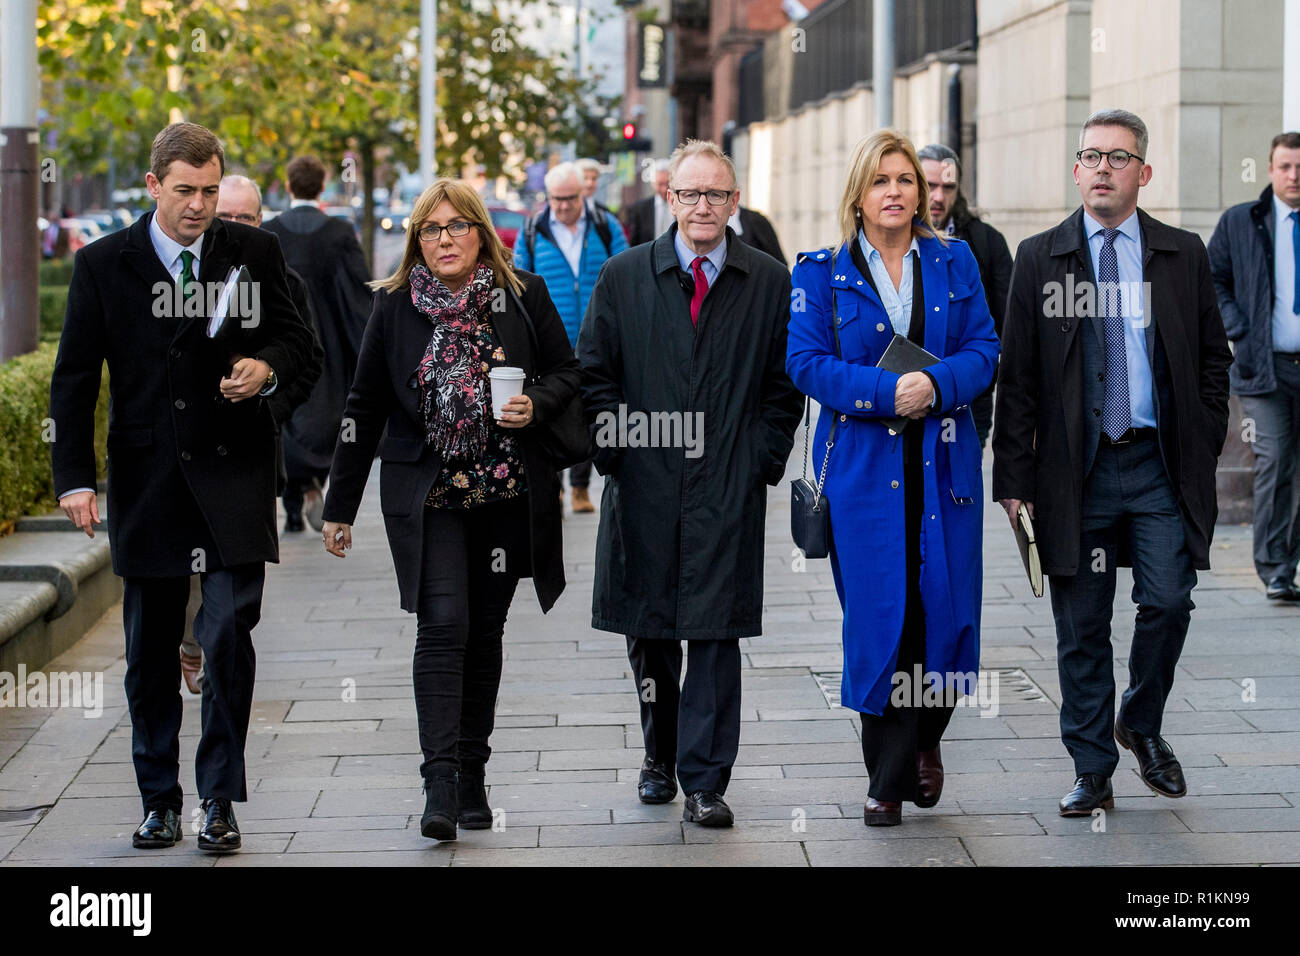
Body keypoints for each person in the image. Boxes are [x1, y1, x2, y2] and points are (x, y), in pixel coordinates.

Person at [49, 122, 319, 852]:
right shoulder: (105, 263)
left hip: (234, 472)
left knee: (228, 634)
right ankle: (159, 799)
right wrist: (72, 478)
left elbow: (302, 346)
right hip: (149, 478)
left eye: (209, 190)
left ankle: (219, 800)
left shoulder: (254, 252)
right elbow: (74, 379)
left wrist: (264, 371)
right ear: (153, 186)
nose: (199, 206)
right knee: (148, 651)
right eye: (185, 192)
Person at [320, 178, 579, 841]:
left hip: (504, 495)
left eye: (456, 226)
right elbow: (364, 406)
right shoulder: (394, 306)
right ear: (416, 240)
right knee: (442, 623)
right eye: (430, 230)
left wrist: (535, 404)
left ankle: (473, 771)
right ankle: (439, 781)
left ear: (480, 232)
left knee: (484, 632)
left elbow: (569, 372)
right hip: (428, 496)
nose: (444, 240)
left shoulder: (521, 296)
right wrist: (339, 506)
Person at [993, 109, 1233, 816]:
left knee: (1167, 599)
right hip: (1075, 476)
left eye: (1118, 158)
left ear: (1144, 173)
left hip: (1159, 466)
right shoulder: (1041, 256)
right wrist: (1014, 482)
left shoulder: (1182, 254)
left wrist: (1203, 438)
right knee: (1082, 626)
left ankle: (1141, 719)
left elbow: (1213, 362)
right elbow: (1020, 380)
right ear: (1075, 170)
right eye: (1091, 156)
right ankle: (1092, 769)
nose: (1103, 168)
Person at [579, 139, 803, 827]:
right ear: (668, 199)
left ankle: (706, 779)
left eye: (716, 195)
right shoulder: (623, 276)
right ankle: (658, 754)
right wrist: (619, 453)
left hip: (727, 484)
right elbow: (594, 377)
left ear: (735, 203)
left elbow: (782, 382)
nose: (702, 206)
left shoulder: (766, 280)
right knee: (649, 631)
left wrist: (762, 459)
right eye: (689, 194)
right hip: (643, 484)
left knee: (714, 632)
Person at [787, 130, 998, 826]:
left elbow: (985, 349)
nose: (896, 192)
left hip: (943, 464)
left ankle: (927, 740)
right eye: (881, 180)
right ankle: (885, 777)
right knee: (881, 616)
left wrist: (932, 387)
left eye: (906, 179)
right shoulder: (820, 271)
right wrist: (886, 395)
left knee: (944, 608)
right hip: (864, 471)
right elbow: (806, 362)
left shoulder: (954, 260)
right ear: (858, 192)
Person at [1208, 131, 1300, 601]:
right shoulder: (1242, 221)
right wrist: (1239, 330)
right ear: (1269, 169)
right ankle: (1275, 569)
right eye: (1285, 166)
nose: (1294, 175)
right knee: (1277, 459)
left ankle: (1289, 559)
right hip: (1264, 369)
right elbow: (1214, 278)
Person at [263, 155, 371, 533]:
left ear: (288, 186)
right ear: (322, 186)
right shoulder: (339, 234)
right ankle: (312, 485)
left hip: (280, 340)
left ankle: (295, 499)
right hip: (330, 339)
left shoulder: (268, 232)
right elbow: (358, 293)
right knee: (326, 417)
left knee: (287, 415)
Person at [513, 162, 628, 513]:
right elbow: (517, 283)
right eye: (556, 199)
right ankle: (556, 487)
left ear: (584, 193)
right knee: (552, 409)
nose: (562, 206)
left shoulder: (605, 227)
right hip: (550, 337)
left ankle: (580, 487)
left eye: (570, 198)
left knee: (588, 408)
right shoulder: (533, 230)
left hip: (597, 335)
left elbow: (626, 273)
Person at [917, 143, 1014, 447]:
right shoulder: (892, 240)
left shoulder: (986, 242)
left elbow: (1009, 325)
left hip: (969, 397)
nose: (938, 197)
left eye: (948, 187)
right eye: (929, 185)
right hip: (903, 393)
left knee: (958, 490)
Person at [622, 159, 673, 246]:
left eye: (668, 184)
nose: (664, 189)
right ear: (653, 183)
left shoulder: (682, 205)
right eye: (660, 184)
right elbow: (634, 242)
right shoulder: (639, 209)